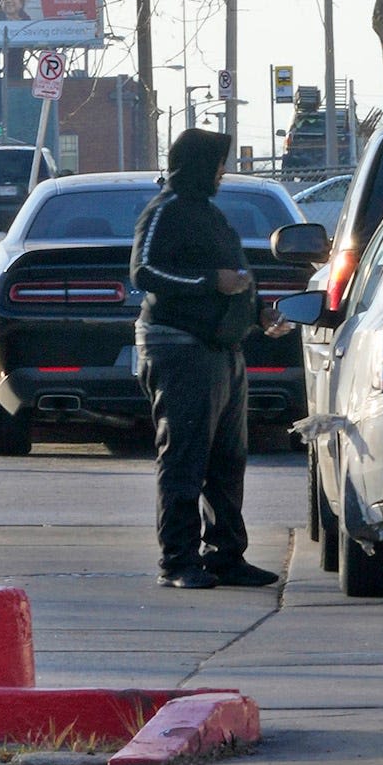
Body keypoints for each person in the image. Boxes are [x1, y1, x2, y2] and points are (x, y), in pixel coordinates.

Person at [130, 127, 283, 591]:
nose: (223, 171)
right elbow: (142, 270)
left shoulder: (210, 214)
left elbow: (232, 278)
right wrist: (207, 282)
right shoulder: (166, 210)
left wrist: (259, 314)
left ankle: (226, 556)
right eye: (218, 163)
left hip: (224, 350)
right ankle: (177, 561)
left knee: (227, 459)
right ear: (197, 165)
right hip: (179, 347)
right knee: (185, 457)